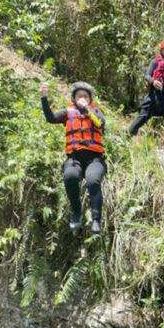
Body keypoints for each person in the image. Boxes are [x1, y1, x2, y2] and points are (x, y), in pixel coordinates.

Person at [42, 80, 107, 233]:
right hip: (74, 159)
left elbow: (100, 124)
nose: (83, 98)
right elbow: (50, 118)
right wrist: (44, 99)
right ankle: (76, 214)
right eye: (79, 96)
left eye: (86, 96)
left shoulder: (96, 113)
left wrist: (86, 108)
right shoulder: (68, 113)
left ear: (90, 100)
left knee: (92, 180)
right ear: (74, 99)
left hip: (95, 159)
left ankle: (96, 219)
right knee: (70, 176)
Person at [127, 41, 164, 149]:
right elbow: (147, 75)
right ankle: (126, 137)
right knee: (142, 118)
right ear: (161, 50)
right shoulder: (155, 62)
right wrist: (153, 81)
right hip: (154, 96)